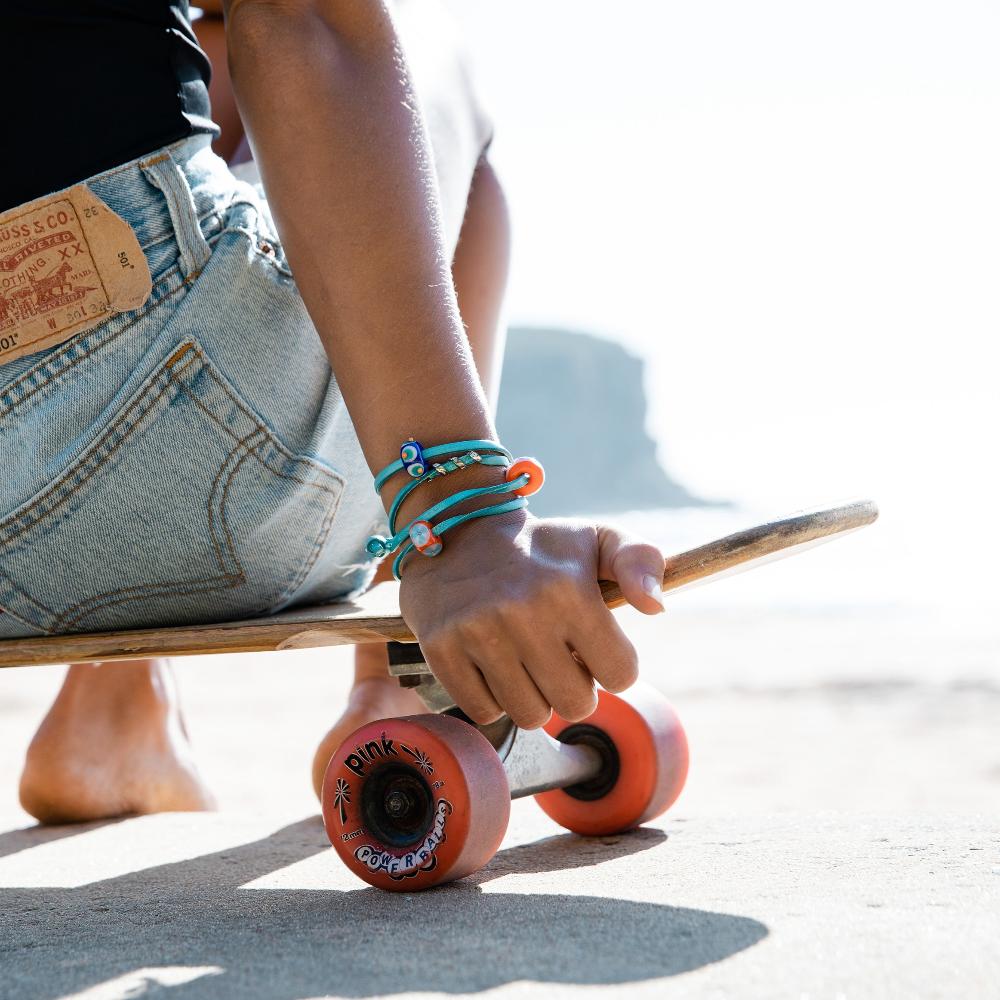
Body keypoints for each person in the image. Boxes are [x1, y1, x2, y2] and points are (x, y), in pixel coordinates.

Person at [3, 0, 667, 824]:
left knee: (197, 45)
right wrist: (468, 525)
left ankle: (117, 710)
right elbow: (306, 18)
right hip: (166, 423)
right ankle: (397, 678)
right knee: (406, 49)